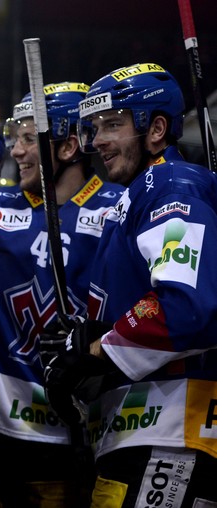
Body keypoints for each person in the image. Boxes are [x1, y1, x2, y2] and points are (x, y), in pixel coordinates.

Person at [43, 63, 217, 507]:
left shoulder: (172, 188)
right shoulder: (138, 194)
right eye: (94, 127)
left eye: (113, 124)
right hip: (142, 434)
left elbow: (184, 306)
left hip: (172, 434)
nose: (97, 140)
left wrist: (97, 351)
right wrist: (84, 334)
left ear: (156, 128)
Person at [0, 81, 124, 507]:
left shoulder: (119, 211)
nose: (18, 151)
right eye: (15, 137)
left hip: (77, 439)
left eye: (29, 137)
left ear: (67, 147)